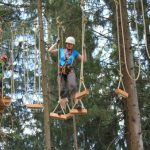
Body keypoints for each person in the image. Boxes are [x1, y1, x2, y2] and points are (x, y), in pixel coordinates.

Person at [49, 36, 87, 109]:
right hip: (61, 70)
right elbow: (50, 50)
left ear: (73, 45)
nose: (69, 45)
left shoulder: (74, 53)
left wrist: (84, 49)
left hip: (70, 70)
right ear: (66, 44)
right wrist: (56, 43)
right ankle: (63, 109)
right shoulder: (61, 50)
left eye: (71, 44)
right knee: (62, 89)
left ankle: (77, 104)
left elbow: (84, 60)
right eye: (68, 43)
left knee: (73, 85)